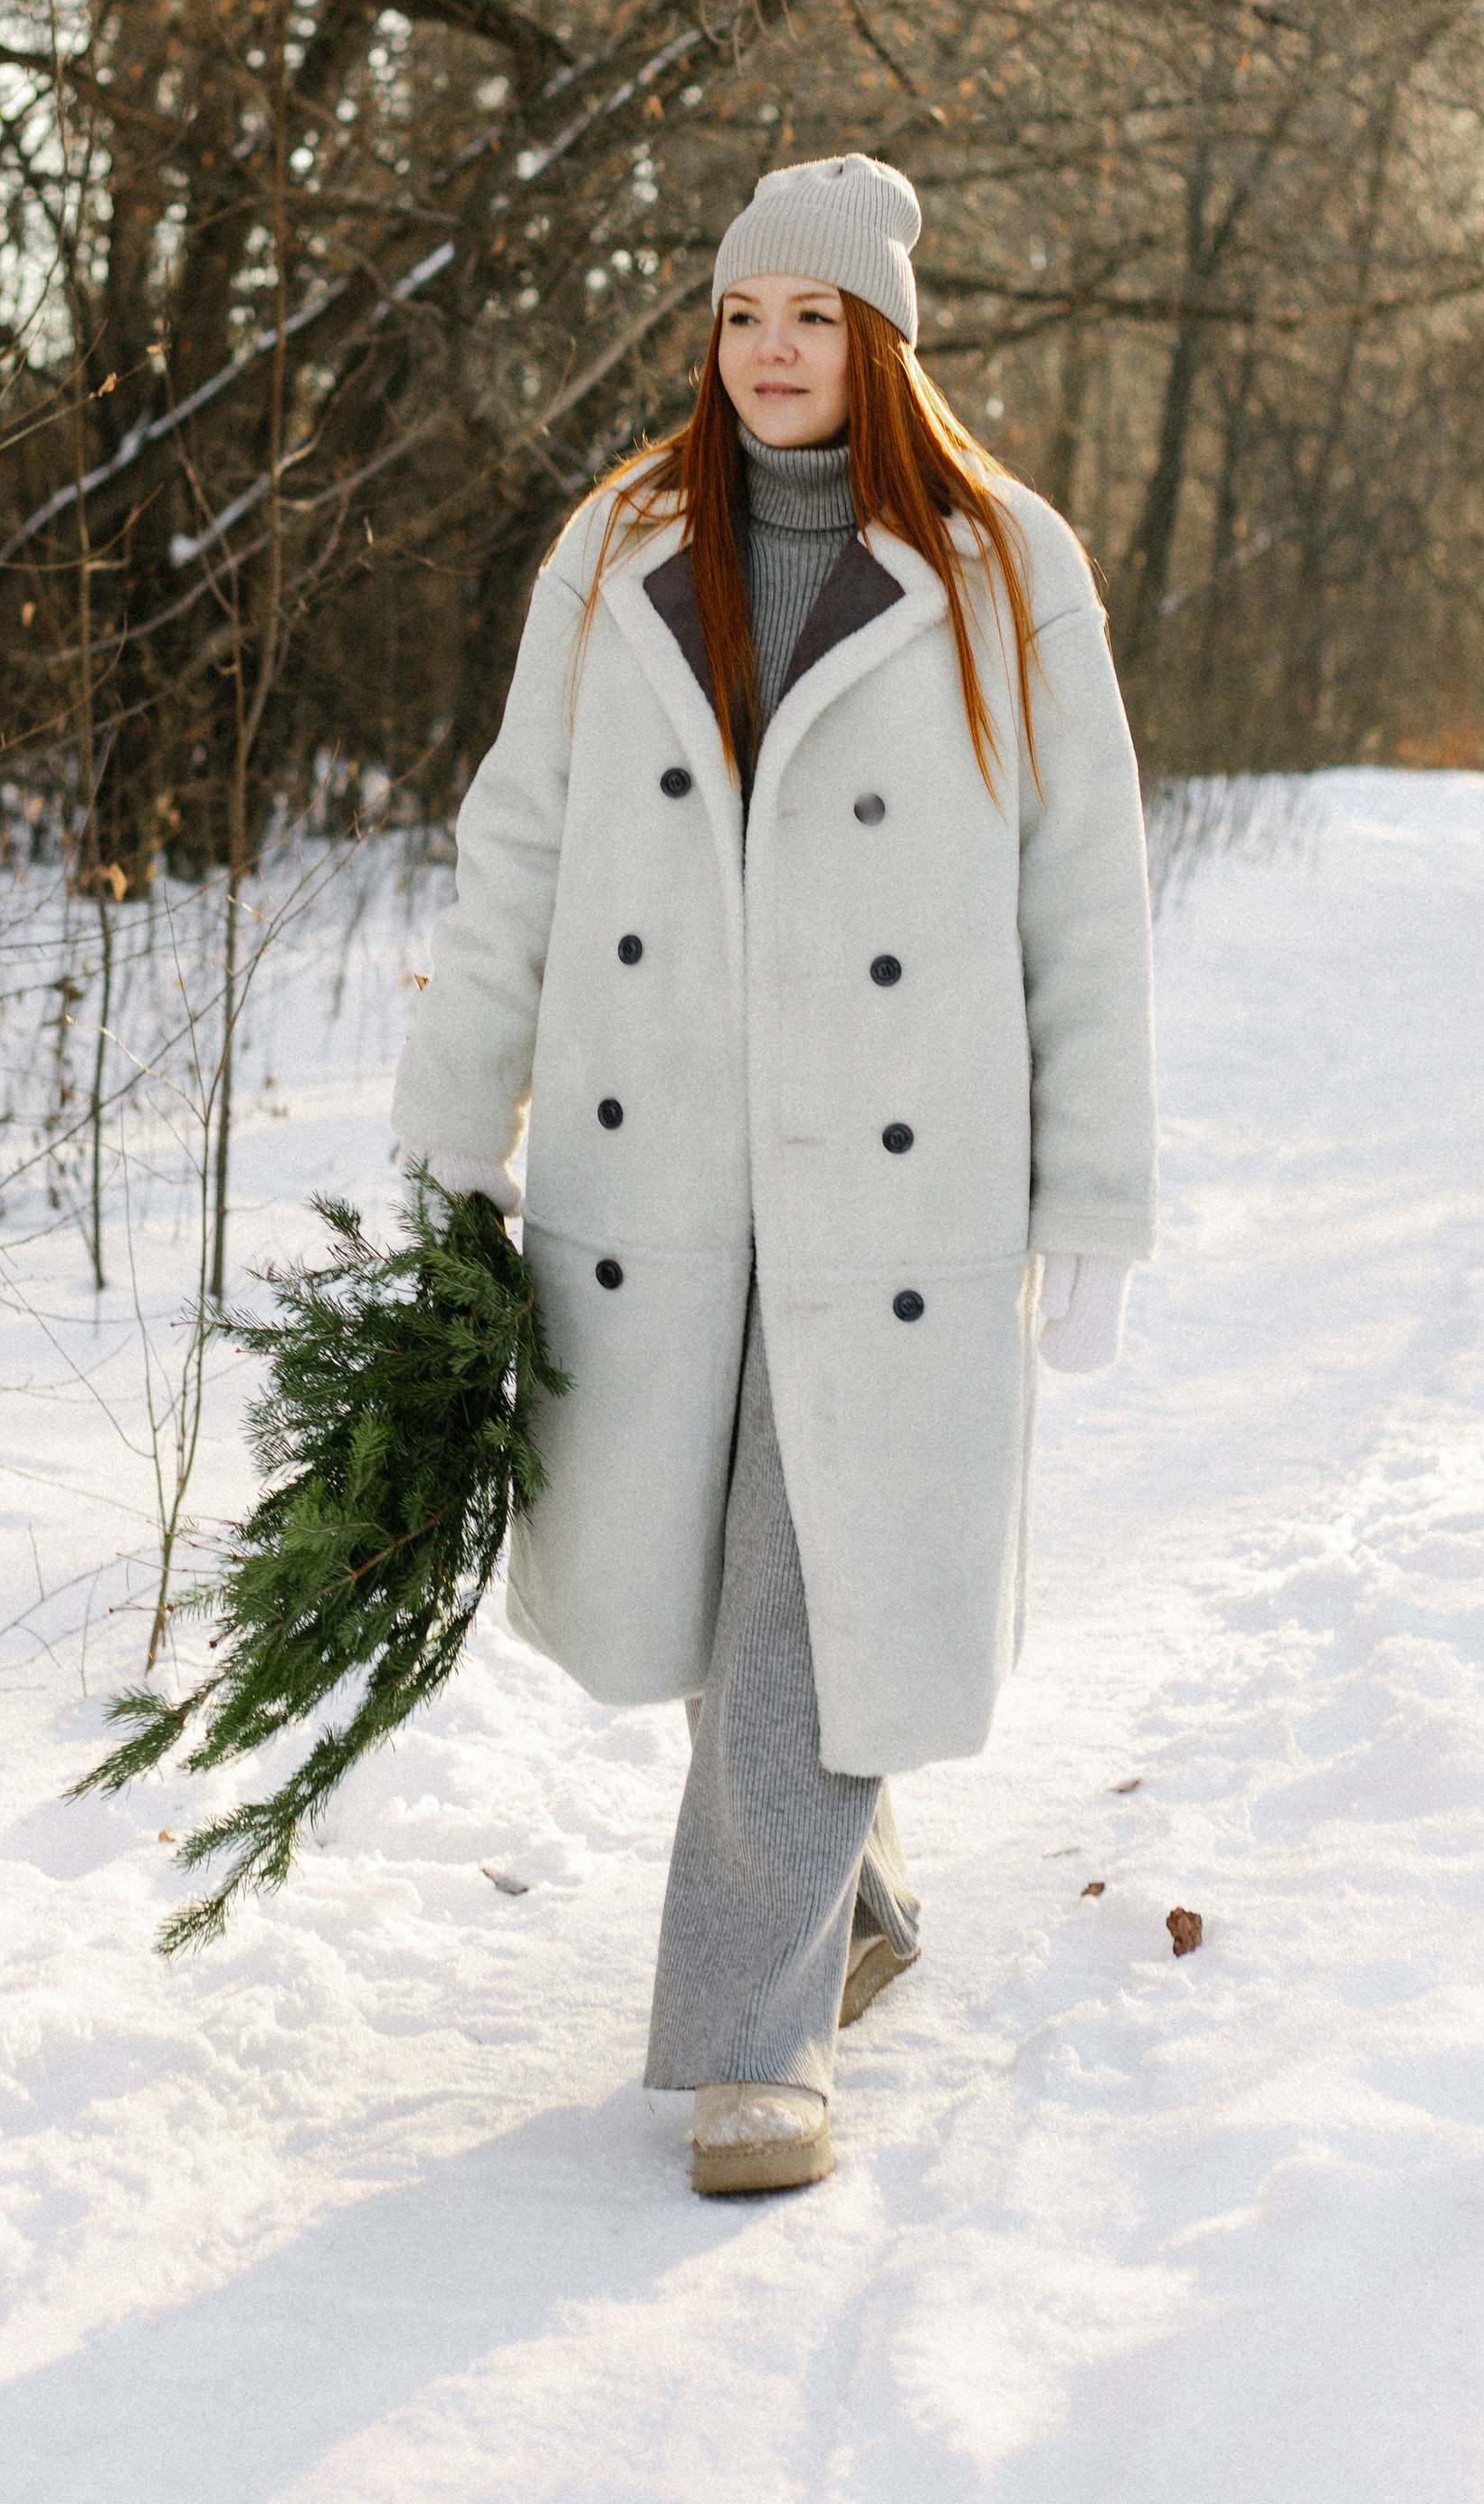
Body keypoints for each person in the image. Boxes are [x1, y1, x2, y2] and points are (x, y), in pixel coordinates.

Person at [391, 153, 1157, 2195]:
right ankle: (857, 1900)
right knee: (721, 1589)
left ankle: (751, 2051)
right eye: (741, 316)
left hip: (898, 1189)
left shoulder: (1002, 565)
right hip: (658, 1175)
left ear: (879, 344)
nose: (768, 352)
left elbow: (1084, 902)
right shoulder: (621, 545)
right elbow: (520, 847)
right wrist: (455, 1116)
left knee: (813, 1583)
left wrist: (1091, 1201)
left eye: (809, 319)